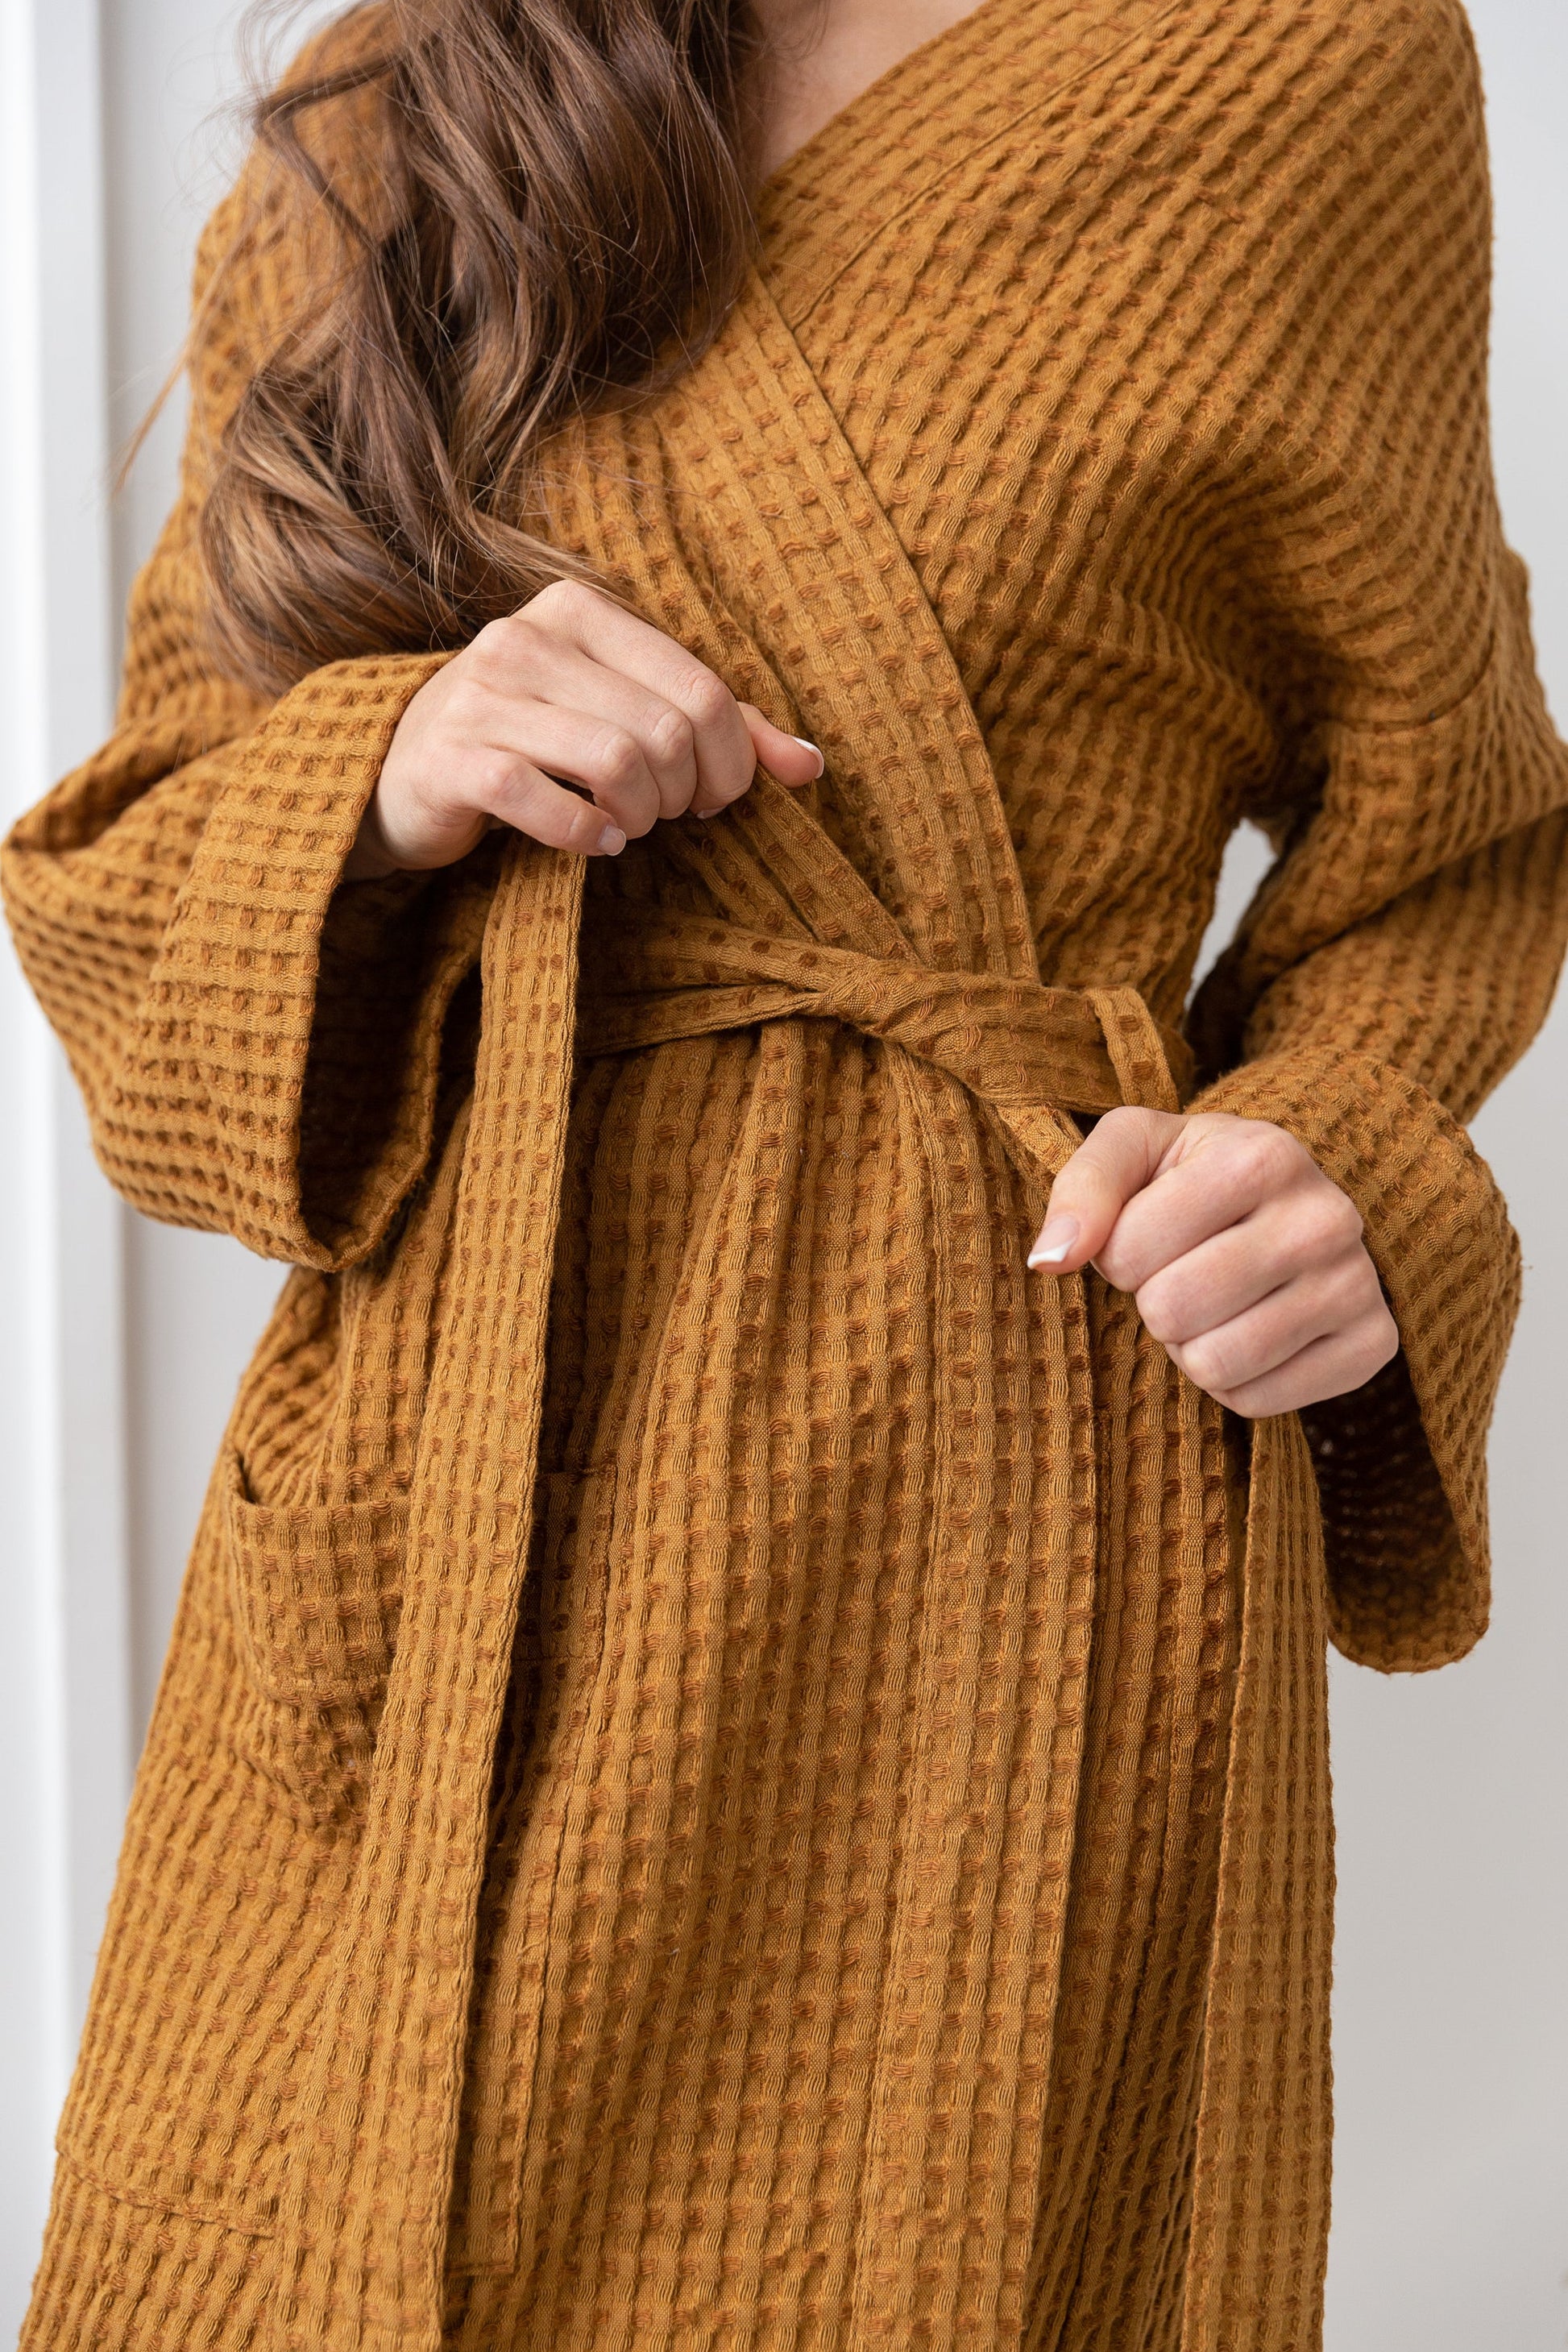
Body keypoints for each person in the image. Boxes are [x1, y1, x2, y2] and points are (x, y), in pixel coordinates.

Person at [6, 0, 1566, 2344]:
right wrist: (391, 764)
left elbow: (1453, 840)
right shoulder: (411, 85)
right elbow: (125, 893)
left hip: (985, 1509)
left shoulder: (1295, 66)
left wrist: (1334, 1161)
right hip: (434, 1515)